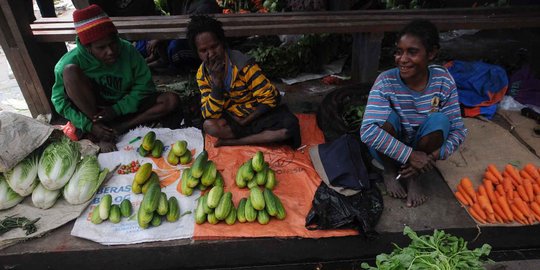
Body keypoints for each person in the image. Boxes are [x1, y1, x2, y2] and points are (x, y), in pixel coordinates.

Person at [360, 19, 467, 207]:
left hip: (423, 148)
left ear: (432, 53)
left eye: (412, 52)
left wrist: (430, 157)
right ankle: (389, 171)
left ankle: (413, 177)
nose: (402, 59)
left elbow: (458, 130)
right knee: (384, 119)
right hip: (389, 150)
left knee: (440, 120)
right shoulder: (385, 81)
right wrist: (409, 155)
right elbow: (368, 131)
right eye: (399, 51)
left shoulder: (443, 80)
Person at [51, 4, 182, 152]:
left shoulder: (127, 50)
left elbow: (145, 86)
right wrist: (90, 125)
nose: (110, 51)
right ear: (88, 48)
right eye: (101, 48)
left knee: (170, 100)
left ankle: (119, 128)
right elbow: (59, 101)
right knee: (70, 72)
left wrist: (117, 109)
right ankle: (99, 132)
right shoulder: (68, 63)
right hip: (93, 113)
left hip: (123, 107)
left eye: (113, 43)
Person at [186, 15, 301, 148]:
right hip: (232, 116)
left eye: (214, 46)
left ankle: (236, 141)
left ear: (222, 42)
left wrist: (245, 121)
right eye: (203, 50)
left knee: (289, 128)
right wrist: (217, 83)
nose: (211, 54)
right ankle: (257, 137)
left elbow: (271, 97)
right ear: (197, 53)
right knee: (209, 125)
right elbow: (211, 113)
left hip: (256, 114)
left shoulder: (242, 65)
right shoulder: (202, 74)